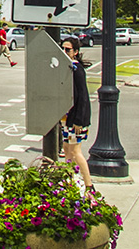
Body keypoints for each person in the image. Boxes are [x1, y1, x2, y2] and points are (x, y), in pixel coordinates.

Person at [60, 36, 94, 193]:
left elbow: (83, 96)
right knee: (67, 149)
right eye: (63, 48)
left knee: (75, 151)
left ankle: (89, 185)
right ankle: (69, 180)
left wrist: (79, 120)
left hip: (76, 120)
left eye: (68, 49)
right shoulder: (66, 67)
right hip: (67, 118)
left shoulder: (77, 69)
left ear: (75, 52)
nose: (64, 51)